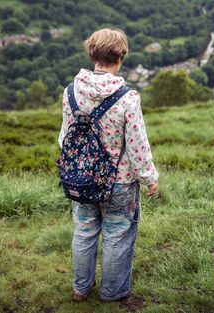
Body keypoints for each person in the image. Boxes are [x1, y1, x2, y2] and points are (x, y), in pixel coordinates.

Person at [58, 28, 158, 303]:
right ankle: (112, 293)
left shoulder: (70, 92)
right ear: (121, 56)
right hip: (120, 182)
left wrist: (78, 168)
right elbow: (138, 145)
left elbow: (65, 138)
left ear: (92, 54)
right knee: (117, 235)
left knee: (84, 231)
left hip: (81, 179)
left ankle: (81, 289)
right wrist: (149, 176)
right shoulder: (127, 97)